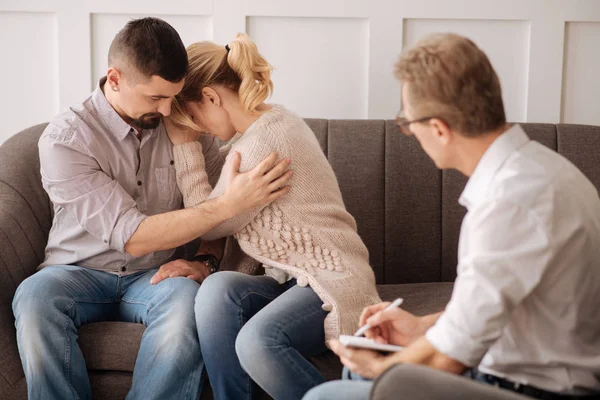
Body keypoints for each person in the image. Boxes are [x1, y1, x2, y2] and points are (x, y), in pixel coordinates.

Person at [304, 33, 600, 400]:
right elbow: (498, 305)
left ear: (440, 129)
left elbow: (450, 358)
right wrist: (421, 328)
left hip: (532, 389)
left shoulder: (507, 203)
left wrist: (381, 369)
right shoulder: (542, 169)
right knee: (355, 377)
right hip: (525, 366)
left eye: (408, 122)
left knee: (324, 396)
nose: (409, 131)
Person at [12, 18, 291, 400]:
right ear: (115, 78)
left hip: (157, 277)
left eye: (172, 97)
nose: (166, 111)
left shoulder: (186, 127)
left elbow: (219, 225)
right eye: (154, 98)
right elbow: (136, 236)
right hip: (75, 272)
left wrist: (205, 262)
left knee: (187, 306)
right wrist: (228, 204)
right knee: (34, 298)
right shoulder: (67, 139)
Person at [155, 33, 382, 400]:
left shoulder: (262, 145)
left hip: (330, 280)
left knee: (258, 341)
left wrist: (185, 146)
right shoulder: (266, 127)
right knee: (217, 289)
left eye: (196, 117)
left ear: (212, 97)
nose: (201, 130)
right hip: (291, 281)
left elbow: (208, 219)